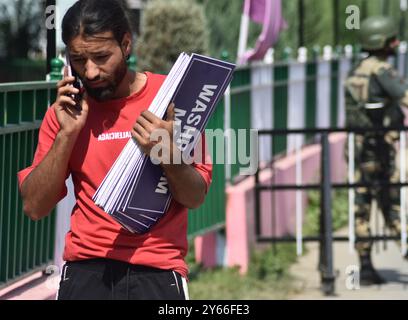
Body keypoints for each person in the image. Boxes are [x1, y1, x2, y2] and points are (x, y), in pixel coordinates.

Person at [18, 0, 212, 300]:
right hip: (86, 271)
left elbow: (195, 196)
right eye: (79, 60)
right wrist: (66, 135)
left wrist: (167, 154)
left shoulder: (170, 101)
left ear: (126, 44)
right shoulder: (65, 113)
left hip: (157, 270)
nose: (91, 72)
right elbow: (34, 206)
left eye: (101, 56)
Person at [345, 16, 408, 285]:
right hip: (380, 149)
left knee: (361, 207)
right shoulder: (381, 70)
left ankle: (366, 268)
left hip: (358, 150)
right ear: (380, 42)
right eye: (392, 39)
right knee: (392, 205)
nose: (395, 44)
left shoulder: (356, 70)